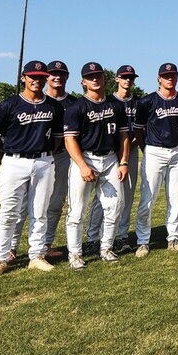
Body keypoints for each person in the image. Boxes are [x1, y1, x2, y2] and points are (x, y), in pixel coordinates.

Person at [0, 60, 62, 277]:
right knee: (9, 212)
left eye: (40, 76)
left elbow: (57, 138)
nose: (36, 80)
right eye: (32, 76)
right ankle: (0, 259)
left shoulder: (53, 106)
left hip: (44, 161)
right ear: (23, 78)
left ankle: (36, 256)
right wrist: (5, 160)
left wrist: (45, 155)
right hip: (13, 160)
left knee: (40, 211)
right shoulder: (8, 105)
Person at [62, 61, 132, 267]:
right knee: (77, 210)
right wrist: (83, 165)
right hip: (86, 158)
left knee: (114, 207)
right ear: (83, 81)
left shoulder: (116, 105)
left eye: (98, 76)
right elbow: (69, 139)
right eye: (90, 77)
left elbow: (124, 137)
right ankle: (74, 254)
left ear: (105, 79)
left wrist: (124, 161)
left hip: (111, 159)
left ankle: (106, 248)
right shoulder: (76, 107)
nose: (95, 79)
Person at [133, 62, 178, 254]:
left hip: (177, 151)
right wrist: (145, 148)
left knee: (175, 197)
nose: (170, 78)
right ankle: (143, 240)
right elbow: (138, 129)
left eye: (173, 75)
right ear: (159, 78)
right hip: (154, 151)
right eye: (166, 76)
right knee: (148, 198)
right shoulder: (146, 101)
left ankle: (173, 238)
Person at [89, 64, 140, 252]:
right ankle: (93, 236)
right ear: (117, 79)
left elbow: (140, 130)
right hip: (108, 153)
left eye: (131, 77)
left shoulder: (138, 102)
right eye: (124, 77)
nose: (128, 80)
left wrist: (127, 152)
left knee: (126, 196)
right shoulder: (108, 101)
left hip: (130, 152)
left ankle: (121, 236)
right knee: (101, 198)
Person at [39, 60, 76, 259]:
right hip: (38, 156)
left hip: (62, 156)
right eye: (53, 73)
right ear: (46, 76)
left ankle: (46, 244)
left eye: (61, 74)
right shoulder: (37, 98)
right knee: (22, 204)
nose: (57, 77)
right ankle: (11, 247)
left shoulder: (73, 103)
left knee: (56, 201)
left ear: (67, 76)